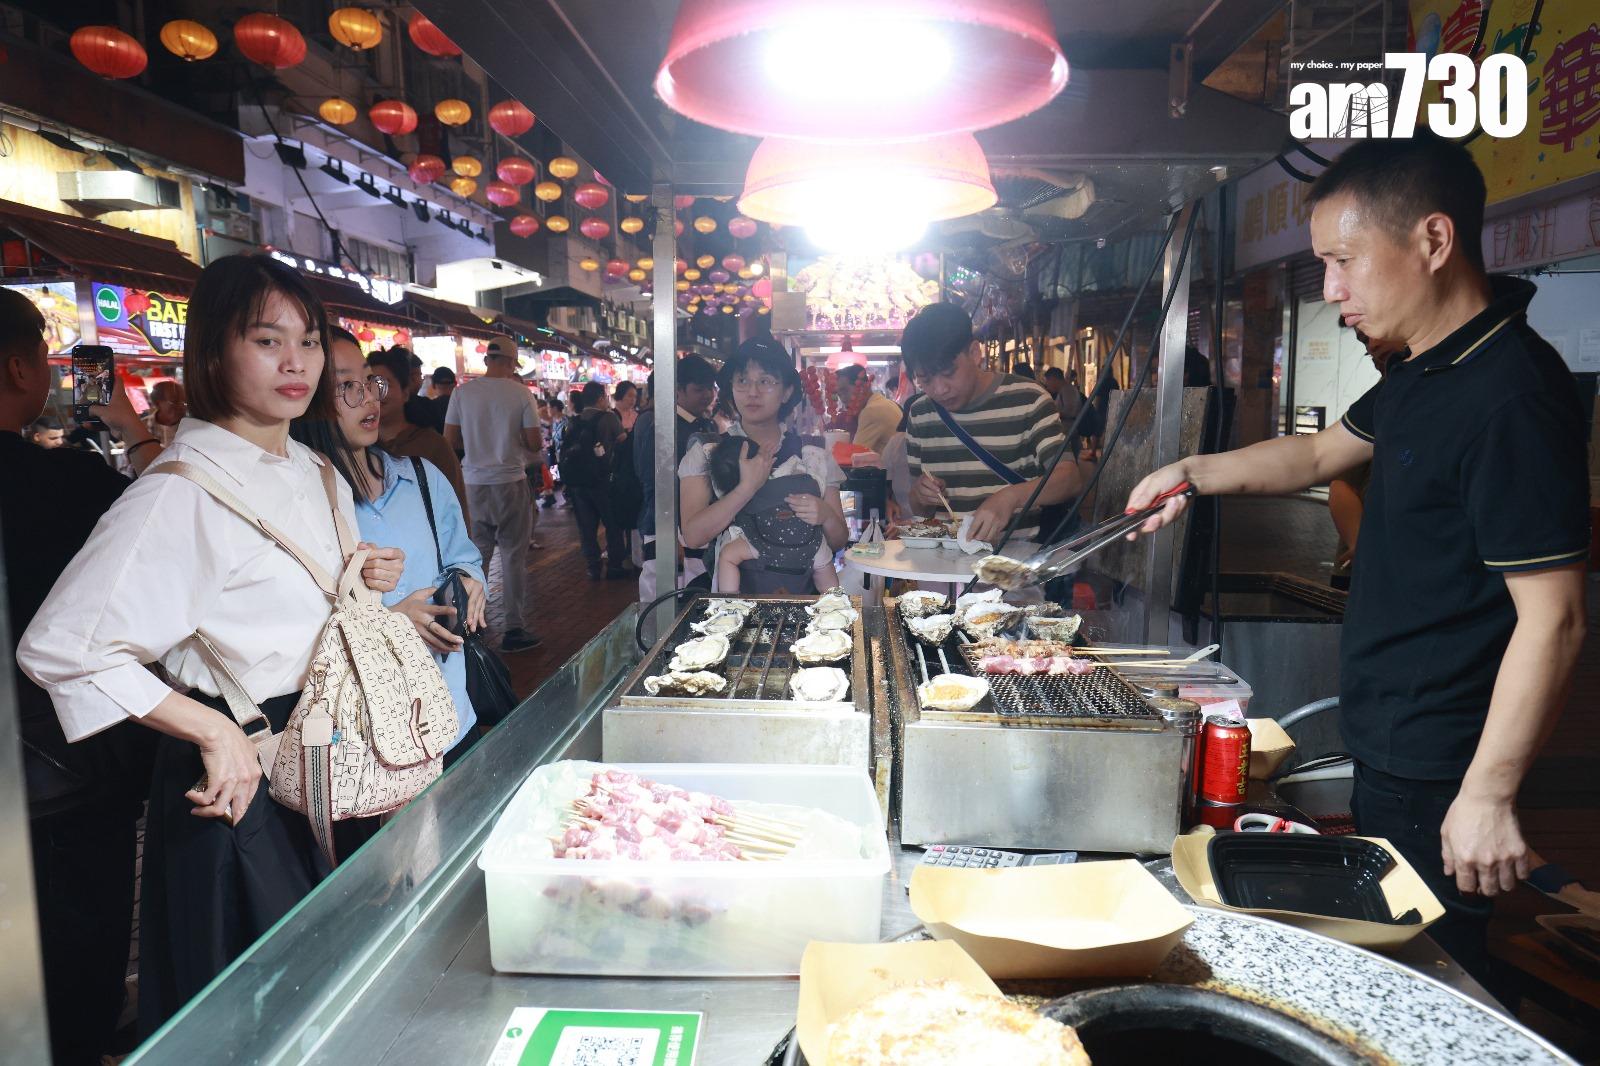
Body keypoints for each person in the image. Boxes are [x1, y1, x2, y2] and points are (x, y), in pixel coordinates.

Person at [1127, 131, 1588, 992]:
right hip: (1391, 745)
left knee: (1428, 985)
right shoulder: (1424, 368)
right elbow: (1314, 457)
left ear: (1434, 241)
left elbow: (1554, 618)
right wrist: (1190, 472)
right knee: (1382, 972)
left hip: (1445, 767)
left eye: (1344, 261)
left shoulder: (1512, 395)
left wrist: (1486, 796)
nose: (1332, 290)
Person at [17, 254, 406, 1035]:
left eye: (306, 340)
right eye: (266, 340)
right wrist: (211, 729)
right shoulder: (178, 490)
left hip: (331, 760)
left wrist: (362, 577)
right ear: (214, 352)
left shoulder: (311, 466)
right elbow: (62, 645)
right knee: (260, 1014)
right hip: (242, 779)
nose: (295, 362)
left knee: (338, 992)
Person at [0, 288, 158, 1066]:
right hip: (65, 777)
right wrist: (134, 433)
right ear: (19, 367)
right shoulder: (70, 485)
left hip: (57, 777)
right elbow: (164, 536)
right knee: (76, 976)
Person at [290, 326, 487, 760]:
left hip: (453, 713)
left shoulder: (421, 478)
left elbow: (464, 558)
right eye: (345, 386)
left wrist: (471, 584)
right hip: (369, 744)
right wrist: (395, 621)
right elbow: (297, 639)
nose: (369, 398)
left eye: (368, 381)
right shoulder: (302, 506)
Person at [901, 303, 1089, 544]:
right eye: (925, 379)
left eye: (948, 373)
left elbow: (1069, 479)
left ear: (974, 353)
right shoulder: (920, 413)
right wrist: (921, 495)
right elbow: (921, 510)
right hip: (944, 567)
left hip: (1015, 567)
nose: (939, 389)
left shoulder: (1028, 398)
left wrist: (1010, 498)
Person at [680, 337, 849, 595]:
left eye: (766, 381)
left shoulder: (813, 456)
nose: (752, 392)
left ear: (787, 392)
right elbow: (693, 536)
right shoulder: (707, 452)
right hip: (733, 610)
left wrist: (825, 514)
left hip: (804, 608)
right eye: (742, 380)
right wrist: (746, 488)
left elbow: (838, 541)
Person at [444, 335, 542, 652]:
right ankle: (514, 628)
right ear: (513, 363)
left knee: (476, 558)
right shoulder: (520, 393)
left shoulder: (462, 393)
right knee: (513, 556)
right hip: (510, 481)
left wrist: (477, 446)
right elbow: (535, 443)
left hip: (473, 484)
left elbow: (450, 438)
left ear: (487, 359)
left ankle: (472, 625)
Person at [707, 435, 841, 593]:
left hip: (763, 546)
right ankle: (834, 602)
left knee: (727, 556)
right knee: (825, 570)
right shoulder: (800, 476)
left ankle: (730, 602)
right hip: (812, 545)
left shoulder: (743, 495)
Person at [635, 356, 718, 601]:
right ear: (678, 390)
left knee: (691, 596)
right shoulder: (665, 426)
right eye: (698, 389)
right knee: (663, 601)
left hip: (693, 525)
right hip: (670, 528)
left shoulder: (702, 423)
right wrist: (667, 534)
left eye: (710, 388)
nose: (707, 395)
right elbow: (653, 482)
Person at [1328, 331, 1406, 589]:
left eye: (1378, 334)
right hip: (1366, 572)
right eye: (1364, 342)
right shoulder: (1381, 399)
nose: (1372, 347)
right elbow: (1337, 480)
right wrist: (1361, 546)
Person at [366, 346, 471, 527]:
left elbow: (456, 509)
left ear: (405, 392)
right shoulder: (357, 446)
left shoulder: (432, 445)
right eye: (367, 385)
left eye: (384, 384)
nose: (374, 393)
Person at [561, 380, 629, 580]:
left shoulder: (575, 420)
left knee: (586, 528)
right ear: (600, 398)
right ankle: (615, 565)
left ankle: (593, 566)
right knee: (613, 524)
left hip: (579, 484)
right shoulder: (608, 418)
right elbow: (623, 442)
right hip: (603, 481)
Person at [834, 364, 903, 454]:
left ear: (862, 386)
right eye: (839, 394)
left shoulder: (871, 411)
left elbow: (854, 456)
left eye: (845, 391)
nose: (843, 399)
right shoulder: (882, 403)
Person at [147, 380, 187, 446]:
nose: (181, 405)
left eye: (184, 401)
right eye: (175, 401)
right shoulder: (143, 427)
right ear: (157, 403)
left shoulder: (192, 425)